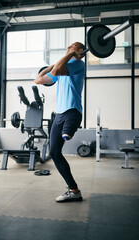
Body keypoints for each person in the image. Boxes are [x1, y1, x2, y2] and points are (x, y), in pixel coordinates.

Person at [34, 42, 85, 202]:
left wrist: (71, 55)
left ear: (79, 51)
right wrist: (52, 65)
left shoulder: (77, 64)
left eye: (71, 47)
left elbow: (57, 70)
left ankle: (70, 130)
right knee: (54, 152)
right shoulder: (63, 67)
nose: (67, 48)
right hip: (59, 114)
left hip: (72, 111)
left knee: (66, 135)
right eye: (68, 47)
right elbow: (39, 79)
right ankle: (74, 190)